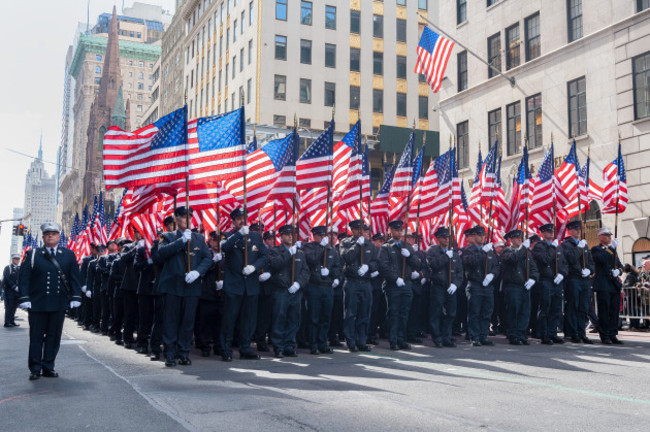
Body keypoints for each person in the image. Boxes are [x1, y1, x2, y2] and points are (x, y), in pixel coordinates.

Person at [18, 222, 82, 380]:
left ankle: (48, 366)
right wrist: (25, 298)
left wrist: (76, 296)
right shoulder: (33, 254)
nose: (50, 236)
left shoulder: (68, 254)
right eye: (47, 234)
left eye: (53, 233)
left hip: (58, 303)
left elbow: (75, 278)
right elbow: (24, 279)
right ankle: (35, 368)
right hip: (38, 304)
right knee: (36, 337)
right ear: (43, 236)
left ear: (59, 236)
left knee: (53, 337)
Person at [157, 206, 212, 367]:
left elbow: (207, 259)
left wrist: (197, 272)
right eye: (183, 217)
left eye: (189, 217)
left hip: (191, 287)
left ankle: (183, 352)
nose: (187, 220)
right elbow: (162, 253)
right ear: (176, 219)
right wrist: (181, 241)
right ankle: (170, 354)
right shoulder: (167, 236)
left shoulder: (199, 238)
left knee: (188, 322)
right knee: (171, 321)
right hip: (172, 286)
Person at [220, 207, 268, 361]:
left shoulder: (256, 237)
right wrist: (238, 235)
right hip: (234, 285)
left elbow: (264, 255)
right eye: (239, 218)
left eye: (244, 217)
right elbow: (225, 247)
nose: (242, 220)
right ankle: (226, 349)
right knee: (230, 318)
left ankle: (245, 348)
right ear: (233, 221)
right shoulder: (228, 235)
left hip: (251, 286)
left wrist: (254, 267)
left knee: (248, 320)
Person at [268, 225, 311, 358]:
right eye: (287, 234)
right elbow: (274, 265)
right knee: (279, 318)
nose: (290, 236)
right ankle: (278, 346)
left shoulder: (300, 253)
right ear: (281, 237)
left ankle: (289, 345)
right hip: (281, 290)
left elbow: (306, 271)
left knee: (294, 319)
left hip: (295, 291)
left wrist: (299, 283)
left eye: (292, 234)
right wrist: (288, 253)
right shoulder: (275, 251)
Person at [378, 220, 420, 351]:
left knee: (404, 313)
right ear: (390, 231)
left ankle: (402, 339)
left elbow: (416, 264)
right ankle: (393, 340)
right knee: (394, 313)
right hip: (393, 285)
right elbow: (383, 266)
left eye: (400, 230)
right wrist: (395, 278)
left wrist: (409, 257)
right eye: (396, 230)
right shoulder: (386, 248)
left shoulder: (407, 247)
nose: (398, 232)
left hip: (406, 284)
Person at [302, 225, 343, 355]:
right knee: (314, 317)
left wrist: (331, 274)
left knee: (326, 317)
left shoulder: (331, 250)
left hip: (327, 287)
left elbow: (338, 267)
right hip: (314, 286)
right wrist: (321, 248)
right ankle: (313, 344)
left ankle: (322, 343)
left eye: (323, 235)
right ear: (314, 236)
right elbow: (312, 260)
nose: (321, 238)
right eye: (319, 236)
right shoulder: (309, 247)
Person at [341, 220, 379, 352]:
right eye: (358, 229)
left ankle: (361, 340)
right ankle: (351, 341)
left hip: (366, 283)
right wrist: (357, 246)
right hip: (352, 282)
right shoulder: (345, 243)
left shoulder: (370, 245)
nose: (361, 232)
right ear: (352, 230)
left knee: (364, 313)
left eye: (363, 229)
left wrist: (368, 267)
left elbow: (376, 262)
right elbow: (347, 258)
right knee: (351, 313)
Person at [462, 226, 500, 346]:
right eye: (479, 235)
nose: (482, 237)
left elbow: (496, 266)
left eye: (483, 235)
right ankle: (474, 336)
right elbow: (470, 262)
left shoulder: (489, 250)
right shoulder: (469, 250)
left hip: (487, 286)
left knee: (487, 312)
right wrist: (482, 252)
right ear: (473, 237)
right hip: (475, 284)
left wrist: (492, 275)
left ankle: (484, 336)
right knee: (475, 312)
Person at [501, 229, 539, 345]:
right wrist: (523, 249)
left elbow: (533, 268)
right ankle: (513, 334)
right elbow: (514, 259)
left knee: (524, 311)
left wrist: (533, 278)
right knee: (514, 311)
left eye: (520, 238)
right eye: (517, 238)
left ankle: (521, 334)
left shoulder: (526, 253)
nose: (519, 239)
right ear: (511, 239)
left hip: (525, 286)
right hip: (513, 286)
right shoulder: (507, 251)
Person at [427, 227, 463, 348]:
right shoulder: (433, 251)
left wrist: (455, 284)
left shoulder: (455, 254)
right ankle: (437, 337)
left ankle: (446, 337)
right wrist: (445, 257)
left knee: (451, 313)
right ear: (438, 239)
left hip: (450, 287)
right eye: (444, 237)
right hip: (438, 286)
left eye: (448, 237)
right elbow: (433, 265)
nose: (447, 239)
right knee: (436, 313)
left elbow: (460, 273)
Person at [532, 224, 568, 345]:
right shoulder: (539, 247)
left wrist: (562, 273)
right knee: (545, 308)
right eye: (548, 231)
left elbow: (564, 264)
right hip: (545, 280)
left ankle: (553, 333)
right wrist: (553, 248)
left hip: (557, 281)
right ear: (543, 233)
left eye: (552, 231)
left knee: (556, 308)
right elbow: (544, 260)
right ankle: (544, 334)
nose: (551, 233)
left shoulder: (558, 247)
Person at [560, 220, 595, 343]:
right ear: (570, 231)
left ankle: (581, 332)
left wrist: (589, 270)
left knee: (583, 307)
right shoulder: (565, 245)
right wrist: (579, 249)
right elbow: (570, 259)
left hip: (584, 280)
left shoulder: (584, 244)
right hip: (573, 278)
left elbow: (591, 262)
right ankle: (572, 332)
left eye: (579, 229)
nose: (578, 231)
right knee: (573, 306)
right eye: (575, 229)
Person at [591, 227, 624, 344]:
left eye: (610, 235)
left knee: (614, 311)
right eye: (606, 235)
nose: (609, 237)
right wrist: (611, 248)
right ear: (600, 237)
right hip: (603, 285)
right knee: (604, 311)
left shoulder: (612, 250)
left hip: (613, 284)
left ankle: (613, 334)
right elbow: (602, 259)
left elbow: (620, 265)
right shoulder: (596, 249)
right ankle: (604, 335)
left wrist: (618, 271)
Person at [195, 231, 225, 357]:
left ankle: (218, 346)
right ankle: (205, 346)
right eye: (215, 240)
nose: (218, 243)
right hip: (207, 291)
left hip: (222, 292)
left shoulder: (225, 254)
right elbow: (202, 270)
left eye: (220, 240)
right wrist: (213, 261)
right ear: (210, 241)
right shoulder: (205, 253)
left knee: (220, 321)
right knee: (205, 321)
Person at [3, 254, 21, 327]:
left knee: (14, 307)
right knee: (9, 307)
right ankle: (7, 322)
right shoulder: (8, 268)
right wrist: (14, 286)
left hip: (17, 292)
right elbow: (6, 279)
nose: (17, 260)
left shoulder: (19, 269)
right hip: (9, 291)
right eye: (15, 259)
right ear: (12, 260)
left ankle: (12, 321)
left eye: (18, 259)